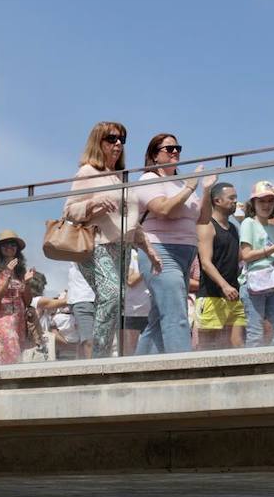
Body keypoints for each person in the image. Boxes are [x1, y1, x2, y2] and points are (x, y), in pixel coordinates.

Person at [65, 122, 161, 357]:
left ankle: (104, 356)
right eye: (111, 138)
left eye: (122, 139)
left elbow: (131, 222)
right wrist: (93, 203)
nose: (118, 143)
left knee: (115, 301)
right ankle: (99, 357)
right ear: (98, 142)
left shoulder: (119, 178)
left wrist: (149, 250)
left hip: (123, 248)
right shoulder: (88, 172)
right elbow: (69, 210)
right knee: (110, 296)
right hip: (96, 245)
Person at [134, 133, 206, 354]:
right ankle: (184, 373)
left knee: (158, 320)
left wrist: (208, 190)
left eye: (178, 148)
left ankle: (136, 373)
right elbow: (163, 209)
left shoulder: (182, 183)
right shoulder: (149, 180)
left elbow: (202, 218)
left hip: (185, 255)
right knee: (176, 314)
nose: (175, 152)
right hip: (160, 253)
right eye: (169, 149)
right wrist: (190, 188)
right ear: (155, 156)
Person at [239, 182, 274, 347]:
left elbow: (271, 261)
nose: (266, 205)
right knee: (255, 334)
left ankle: (271, 364)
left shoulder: (273, 229)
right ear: (253, 203)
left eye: (270, 201)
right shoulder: (248, 223)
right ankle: (252, 370)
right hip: (252, 285)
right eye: (262, 201)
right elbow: (246, 255)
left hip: (271, 284)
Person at [195, 183, 246, 350]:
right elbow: (205, 263)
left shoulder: (233, 228)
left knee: (237, 344)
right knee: (207, 347)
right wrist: (224, 286)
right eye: (231, 198)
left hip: (233, 295)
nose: (235, 201)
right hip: (211, 296)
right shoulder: (207, 226)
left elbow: (238, 257)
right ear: (217, 200)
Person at [0, 230, 36, 365]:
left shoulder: (20, 270)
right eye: (5, 245)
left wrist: (26, 283)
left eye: (13, 244)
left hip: (19, 318)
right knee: (10, 352)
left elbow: (28, 301)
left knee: (19, 353)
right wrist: (7, 274)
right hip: (3, 318)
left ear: (17, 249)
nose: (9, 247)